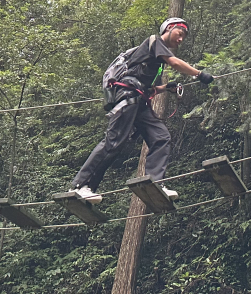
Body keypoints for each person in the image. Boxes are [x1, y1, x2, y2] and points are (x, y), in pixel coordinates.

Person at [71, 17, 214, 203]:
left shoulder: (155, 62)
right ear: (169, 28)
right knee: (113, 142)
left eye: (183, 37)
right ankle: (80, 186)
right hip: (128, 98)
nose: (181, 40)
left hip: (139, 102)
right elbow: (175, 63)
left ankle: (155, 181)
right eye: (180, 34)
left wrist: (166, 87)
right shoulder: (154, 41)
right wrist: (199, 74)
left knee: (161, 137)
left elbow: (149, 89)